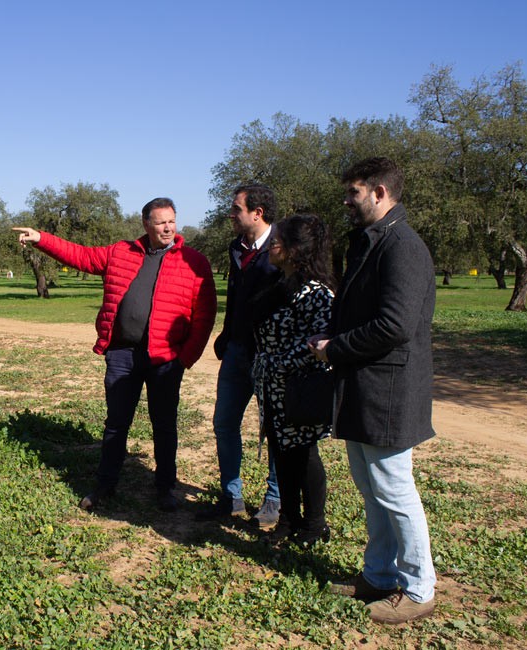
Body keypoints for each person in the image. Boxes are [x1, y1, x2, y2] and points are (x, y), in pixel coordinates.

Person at [13, 198, 216, 512]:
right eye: (161, 222)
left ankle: (165, 488)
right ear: (146, 224)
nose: (168, 228)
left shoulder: (194, 261)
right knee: (116, 423)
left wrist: (185, 357)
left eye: (172, 221)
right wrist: (42, 239)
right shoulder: (121, 252)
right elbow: (80, 256)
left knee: (164, 424)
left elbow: (204, 315)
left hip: (165, 359)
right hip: (122, 353)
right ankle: (104, 485)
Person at [310, 157, 437, 624]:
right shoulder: (372, 242)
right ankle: (380, 575)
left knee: (394, 489)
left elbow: (395, 325)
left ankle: (420, 586)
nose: (347, 200)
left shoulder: (401, 246)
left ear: (380, 192)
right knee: (373, 488)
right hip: (366, 385)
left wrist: (334, 347)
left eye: (354, 192)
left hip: (389, 389)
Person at [196, 184, 281, 528]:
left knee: (275, 430)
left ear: (257, 213)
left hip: (271, 357)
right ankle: (232, 497)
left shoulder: (283, 247)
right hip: (236, 353)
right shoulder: (237, 248)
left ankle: (275, 500)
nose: (230, 214)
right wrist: (227, 335)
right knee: (224, 423)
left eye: (236, 209)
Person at [250, 214, 335, 548]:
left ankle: (315, 526)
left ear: (296, 249)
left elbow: (319, 343)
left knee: (304, 453)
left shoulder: (316, 293)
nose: (272, 245)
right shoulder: (278, 284)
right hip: (273, 387)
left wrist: (278, 363)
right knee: (281, 452)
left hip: (300, 386)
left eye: (278, 241)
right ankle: (288, 519)